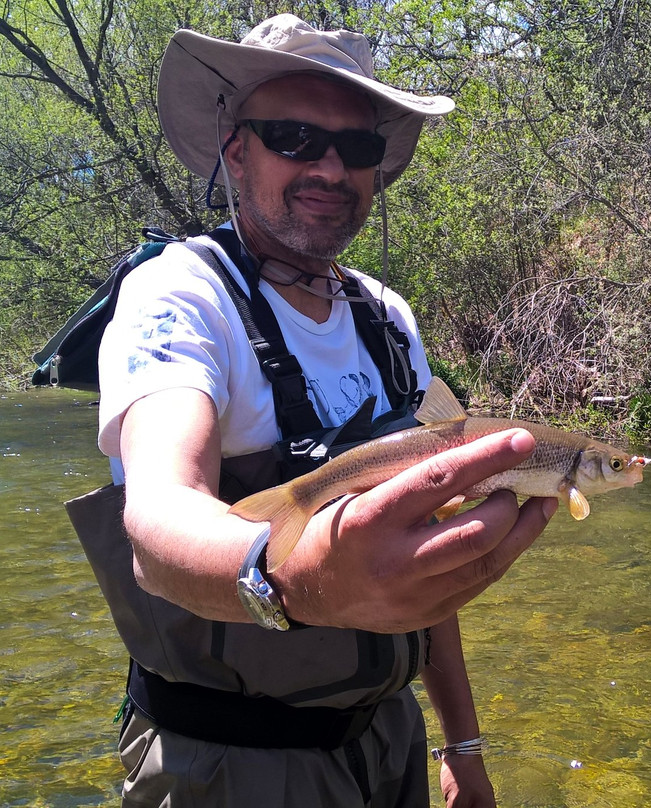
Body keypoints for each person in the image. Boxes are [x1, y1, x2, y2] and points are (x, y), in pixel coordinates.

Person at [73, 14, 556, 807]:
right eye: (294, 137)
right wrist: (292, 580)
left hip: (387, 738)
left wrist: (462, 744)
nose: (330, 167)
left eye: (356, 146)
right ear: (237, 152)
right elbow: (157, 523)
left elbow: (421, 563)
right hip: (232, 764)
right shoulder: (179, 294)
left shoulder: (388, 318)